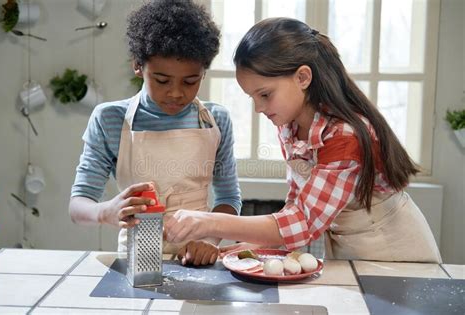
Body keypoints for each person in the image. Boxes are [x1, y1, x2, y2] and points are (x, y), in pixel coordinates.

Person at [164, 17, 442, 263]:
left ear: (303, 77)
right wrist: (253, 245)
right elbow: (298, 205)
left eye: (265, 94)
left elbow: (304, 221)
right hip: (350, 251)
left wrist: (210, 223)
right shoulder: (290, 127)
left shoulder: (345, 136)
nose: (258, 108)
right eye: (252, 97)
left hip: (397, 255)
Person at [69, 0, 241, 266]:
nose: (175, 93)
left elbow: (229, 198)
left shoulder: (215, 120)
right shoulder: (110, 119)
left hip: (197, 260)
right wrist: (107, 211)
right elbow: (78, 207)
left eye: (190, 81)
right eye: (161, 80)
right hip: (135, 262)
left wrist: (208, 242)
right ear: (138, 65)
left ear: (203, 72)